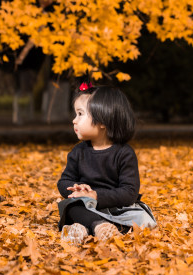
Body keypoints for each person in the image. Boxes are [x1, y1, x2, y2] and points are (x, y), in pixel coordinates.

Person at [57, 83, 156, 245]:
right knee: (71, 207)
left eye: (80, 114)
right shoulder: (78, 152)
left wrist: (96, 195)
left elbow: (129, 192)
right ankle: (97, 227)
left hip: (119, 208)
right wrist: (75, 188)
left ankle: (89, 228)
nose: (74, 120)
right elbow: (63, 181)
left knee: (141, 217)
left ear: (103, 120)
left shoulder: (124, 153)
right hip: (86, 206)